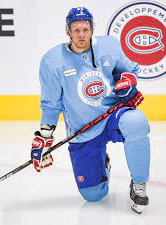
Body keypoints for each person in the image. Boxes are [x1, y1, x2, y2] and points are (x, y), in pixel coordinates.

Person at [31, 7, 150, 214]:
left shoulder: (109, 47)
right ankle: (103, 164)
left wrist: (128, 81)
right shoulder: (52, 61)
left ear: (92, 29)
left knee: (136, 122)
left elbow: (130, 72)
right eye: (76, 30)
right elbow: (51, 104)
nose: (81, 35)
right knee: (93, 195)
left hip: (112, 115)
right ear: (68, 31)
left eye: (85, 29)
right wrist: (44, 136)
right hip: (83, 128)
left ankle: (139, 184)